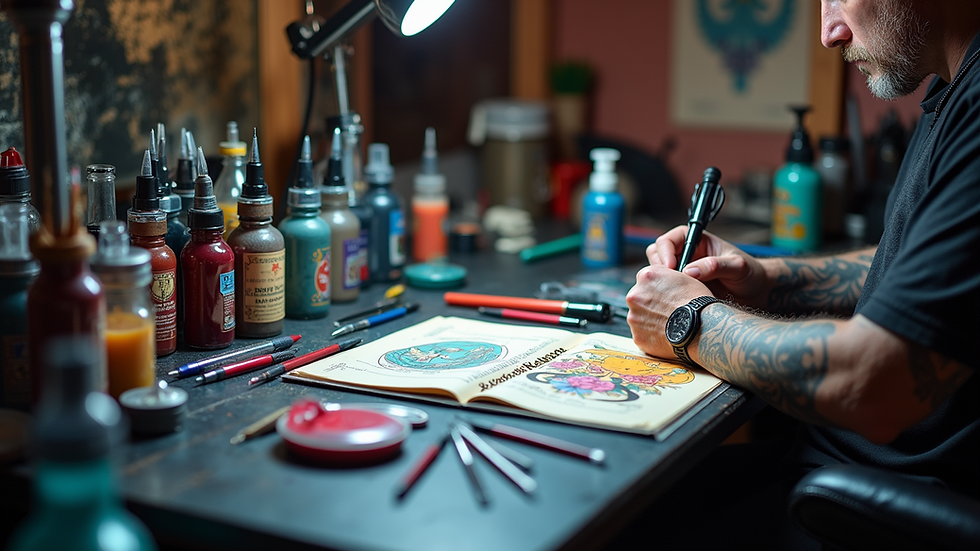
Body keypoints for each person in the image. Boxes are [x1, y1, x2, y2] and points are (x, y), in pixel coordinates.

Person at [618, 1, 980, 548]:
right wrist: (766, 277)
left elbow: (874, 385)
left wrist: (689, 320)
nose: (829, 32)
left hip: (869, 507)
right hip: (830, 467)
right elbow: (917, 272)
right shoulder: (952, 89)